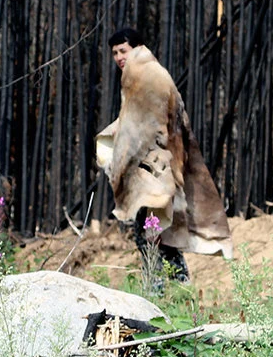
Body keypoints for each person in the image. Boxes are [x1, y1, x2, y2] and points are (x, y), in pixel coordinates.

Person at [94, 27, 230, 280]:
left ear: (138, 48)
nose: (119, 57)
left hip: (157, 169)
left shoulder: (149, 76)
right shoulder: (142, 75)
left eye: (123, 50)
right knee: (158, 234)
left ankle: (160, 289)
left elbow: (156, 123)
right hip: (155, 168)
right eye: (114, 53)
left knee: (152, 234)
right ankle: (176, 287)